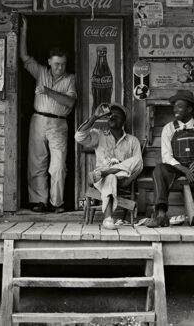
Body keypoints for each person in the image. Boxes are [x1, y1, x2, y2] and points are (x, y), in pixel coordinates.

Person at [20, 16, 77, 213]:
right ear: (49, 62)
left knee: (58, 165)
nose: (60, 67)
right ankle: (39, 201)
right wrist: (24, 29)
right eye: (56, 64)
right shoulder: (41, 72)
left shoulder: (70, 79)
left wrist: (47, 91)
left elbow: (70, 101)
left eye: (63, 64)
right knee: (36, 163)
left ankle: (57, 202)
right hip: (38, 120)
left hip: (59, 123)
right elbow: (24, 57)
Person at [147, 90, 194, 228]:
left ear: (190, 109)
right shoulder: (169, 128)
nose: (175, 109)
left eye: (179, 106)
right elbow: (166, 156)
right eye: (174, 106)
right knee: (159, 169)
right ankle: (161, 215)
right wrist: (183, 169)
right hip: (176, 168)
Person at [75, 103, 143, 230]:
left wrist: (114, 172)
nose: (112, 117)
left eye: (117, 115)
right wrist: (95, 117)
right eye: (110, 115)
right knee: (111, 177)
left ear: (124, 120)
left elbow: (138, 165)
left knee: (137, 160)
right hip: (101, 179)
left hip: (123, 179)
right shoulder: (99, 135)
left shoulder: (132, 141)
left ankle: (107, 172)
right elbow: (79, 137)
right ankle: (108, 218)